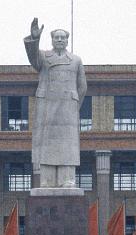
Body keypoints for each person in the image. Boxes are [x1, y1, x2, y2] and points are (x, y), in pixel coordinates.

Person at [23, 17, 87, 188]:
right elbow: (33, 58)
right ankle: (48, 179)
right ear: (51, 40)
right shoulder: (44, 57)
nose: (59, 40)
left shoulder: (76, 60)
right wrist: (34, 38)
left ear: (67, 41)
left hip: (67, 110)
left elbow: (82, 87)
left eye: (62, 37)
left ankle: (67, 179)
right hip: (48, 108)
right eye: (56, 37)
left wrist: (74, 107)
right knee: (47, 143)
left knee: (67, 145)